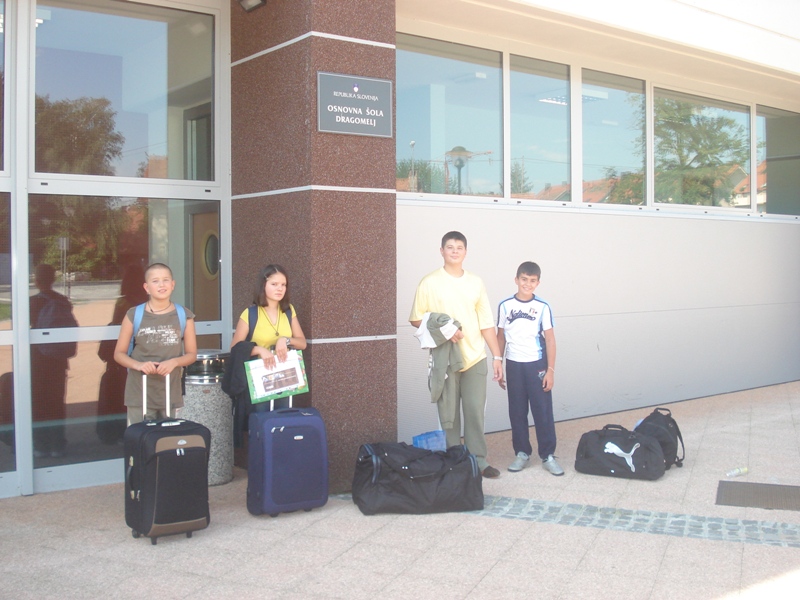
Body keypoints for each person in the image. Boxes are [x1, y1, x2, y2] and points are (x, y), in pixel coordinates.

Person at [409, 231, 504, 479]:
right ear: (441, 251)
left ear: (465, 252)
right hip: (446, 360)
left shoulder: (476, 282)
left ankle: (479, 462)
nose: (454, 251)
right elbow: (416, 319)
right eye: (449, 247)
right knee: (448, 415)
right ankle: (454, 461)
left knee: (474, 412)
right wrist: (444, 328)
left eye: (459, 247)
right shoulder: (429, 282)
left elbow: (486, 323)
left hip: (475, 357)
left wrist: (497, 357)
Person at [496, 261, 563, 476]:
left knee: (542, 410)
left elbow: (550, 339)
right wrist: (498, 362)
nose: (527, 284)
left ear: (538, 283)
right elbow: (500, 337)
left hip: (537, 364)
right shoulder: (505, 305)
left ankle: (548, 455)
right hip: (514, 364)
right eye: (524, 279)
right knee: (517, 411)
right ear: (516, 280)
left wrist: (550, 370)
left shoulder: (543, 306)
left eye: (532, 280)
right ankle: (522, 453)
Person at [113, 263, 197, 424]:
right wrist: (138, 365)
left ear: (173, 284)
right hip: (140, 392)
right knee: (141, 436)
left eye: (166, 280)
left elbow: (192, 354)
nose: (161, 285)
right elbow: (119, 353)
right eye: (155, 281)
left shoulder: (184, 315)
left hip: (170, 391)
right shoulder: (134, 314)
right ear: (146, 287)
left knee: (168, 438)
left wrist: (174, 362)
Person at [30, 264, 78, 458]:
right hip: (58, 359)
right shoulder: (62, 301)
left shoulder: (32, 302)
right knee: (56, 401)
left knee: (39, 402)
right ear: (53, 279)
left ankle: (41, 444)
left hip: (38, 360)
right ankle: (57, 443)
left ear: (36, 280)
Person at [96, 264, 148, 443]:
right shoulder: (146, 302)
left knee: (120, 396)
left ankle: (117, 432)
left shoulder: (123, 302)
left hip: (121, 356)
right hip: (139, 353)